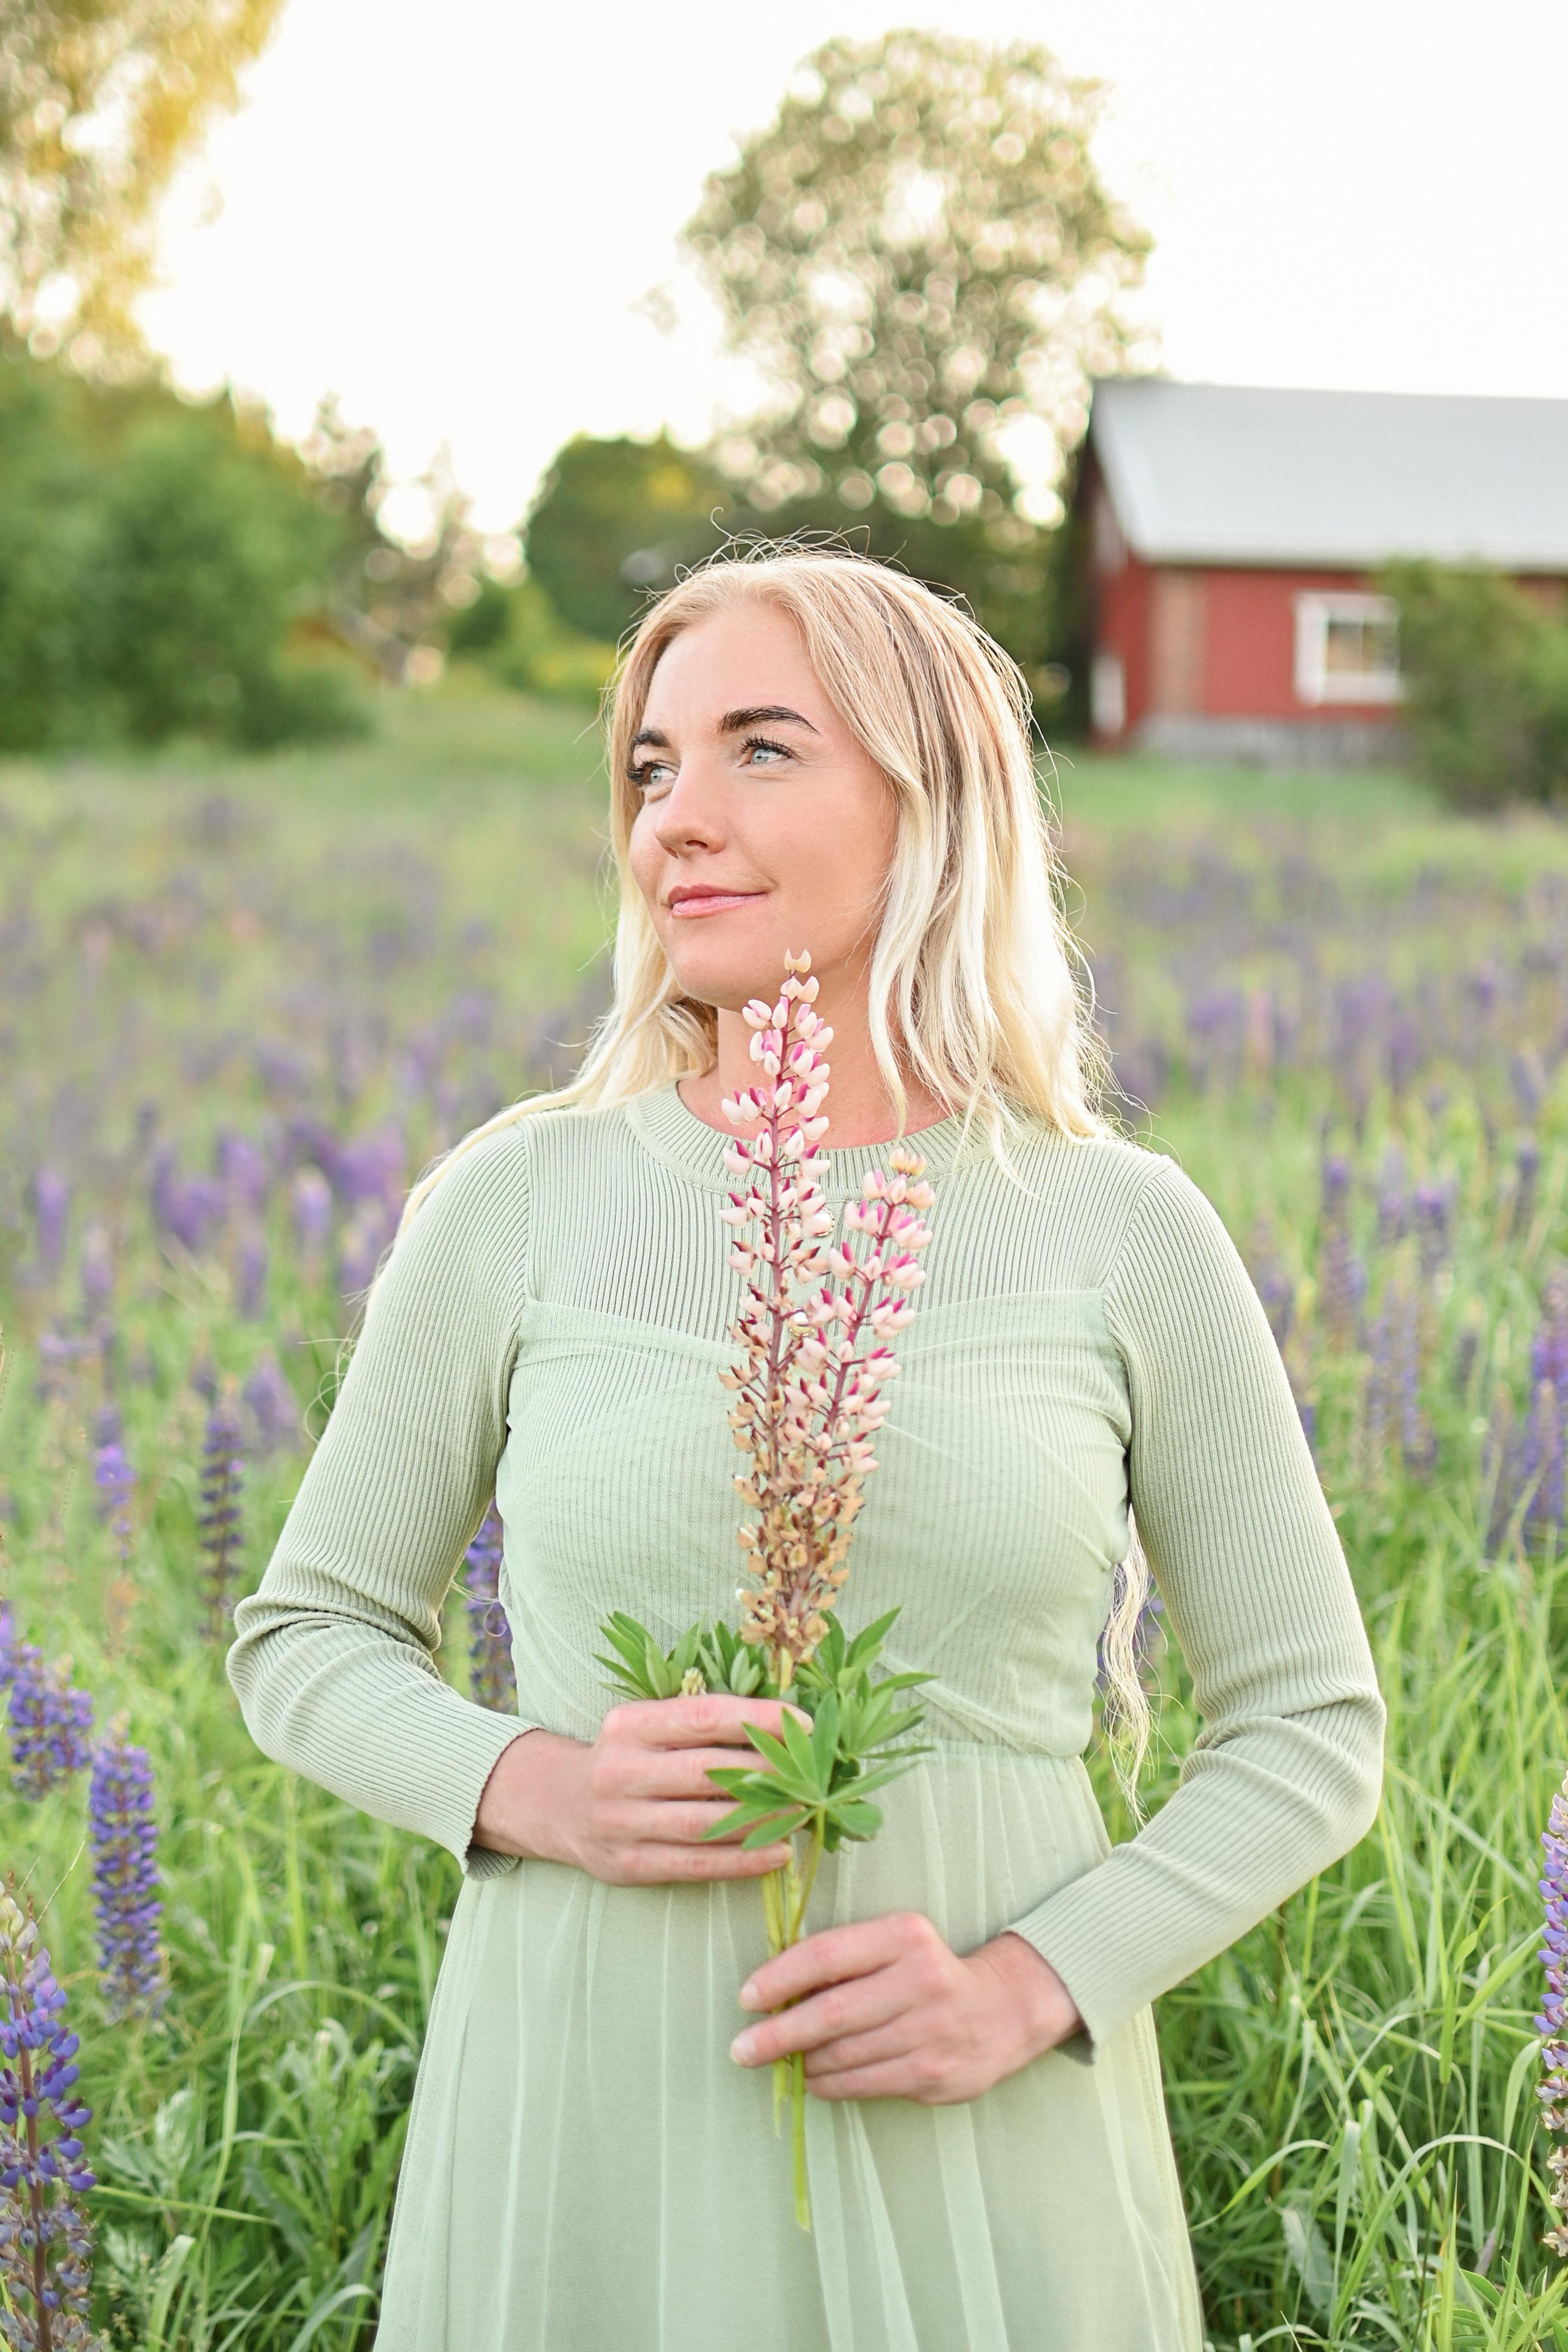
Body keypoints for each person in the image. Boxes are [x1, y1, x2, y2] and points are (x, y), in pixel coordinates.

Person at [228, 547, 1385, 2352]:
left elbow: (1316, 1729)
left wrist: (1034, 1985)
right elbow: (304, 1638)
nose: (678, 817)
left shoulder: (1119, 1228)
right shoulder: (520, 1199)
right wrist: (537, 1787)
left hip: (980, 2120)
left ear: (931, 802)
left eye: (761, 748)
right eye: (650, 765)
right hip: (589, 2090)